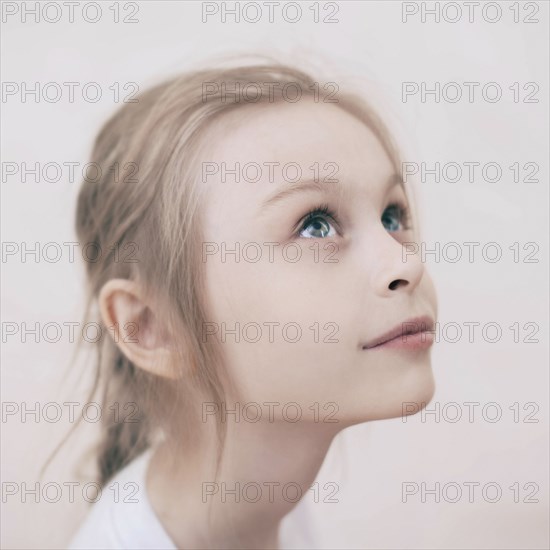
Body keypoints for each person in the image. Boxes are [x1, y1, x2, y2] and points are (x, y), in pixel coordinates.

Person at [68, 61, 437, 549]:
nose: (403, 262)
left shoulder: (272, 511)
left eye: (393, 215)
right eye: (316, 225)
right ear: (152, 327)